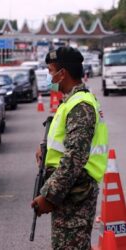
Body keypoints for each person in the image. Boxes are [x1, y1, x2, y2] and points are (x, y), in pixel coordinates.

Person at [31, 47, 108, 249]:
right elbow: (65, 138)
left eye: (50, 71)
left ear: (62, 73)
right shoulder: (70, 101)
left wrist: (49, 195)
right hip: (70, 192)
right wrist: (44, 146)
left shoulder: (80, 105)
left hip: (76, 192)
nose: (49, 76)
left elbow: (75, 157)